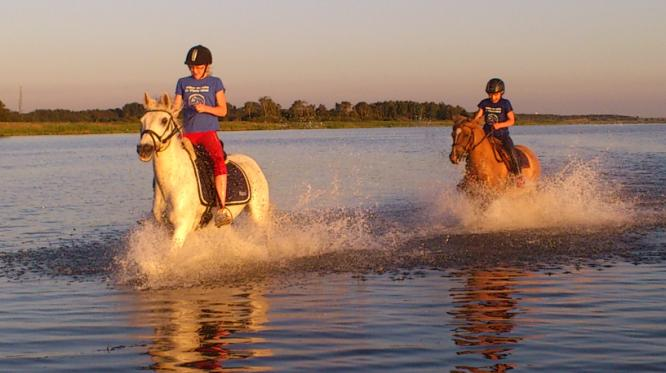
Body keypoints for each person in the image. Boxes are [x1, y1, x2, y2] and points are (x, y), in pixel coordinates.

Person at [173, 45, 233, 226]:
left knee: (217, 160)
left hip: (207, 132)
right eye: (191, 67)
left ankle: (221, 207)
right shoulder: (182, 82)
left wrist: (205, 108)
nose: (194, 70)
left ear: (207, 66)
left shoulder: (215, 82)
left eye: (198, 67)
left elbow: (223, 111)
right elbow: (176, 107)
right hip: (188, 133)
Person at [472, 78, 524, 186]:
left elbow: (511, 120)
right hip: (486, 135)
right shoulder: (484, 103)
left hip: (502, 135)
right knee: (473, 149)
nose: (492, 97)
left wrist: (499, 125)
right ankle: (469, 175)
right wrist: (472, 122)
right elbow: (478, 116)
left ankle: (518, 175)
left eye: (495, 94)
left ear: (501, 93)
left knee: (511, 150)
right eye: (490, 94)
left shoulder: (505, 103)